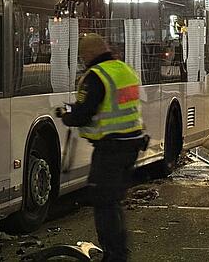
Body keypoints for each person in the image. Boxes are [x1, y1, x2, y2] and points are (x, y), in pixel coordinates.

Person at [55, 33, 147, 262]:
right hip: (132, 145)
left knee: (104, 202)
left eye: (82, 55)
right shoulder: (123, 69)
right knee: (112, 201)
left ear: (89, 53)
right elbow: (106, 103)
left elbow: (84, 113)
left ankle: (115, 255)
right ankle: (118, 253)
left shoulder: (96, 76)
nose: (82, 59)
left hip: (110, 150)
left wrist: (66, 115)